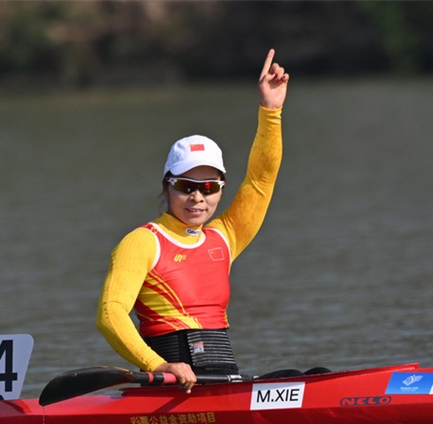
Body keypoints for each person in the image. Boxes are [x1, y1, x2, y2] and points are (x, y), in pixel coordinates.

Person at [97, 49, 290, 393]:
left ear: (220, 189)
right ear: (167, 187)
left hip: (223, 384)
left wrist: (271, 112)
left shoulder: (224, 237)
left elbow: (261, 180)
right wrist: (159, 365)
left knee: (315, 371)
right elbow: (110, 314)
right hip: (167, 390)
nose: (197, 197)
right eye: (186, 186)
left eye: (208, 187)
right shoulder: (142, 242)